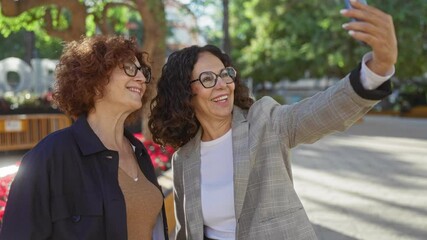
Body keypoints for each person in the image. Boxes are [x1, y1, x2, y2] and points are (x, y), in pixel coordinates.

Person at [148, 1, 397, 240]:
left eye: (225, 74)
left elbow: (321, 111)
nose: (223, 84)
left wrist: (377, 69)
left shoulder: (265, 121)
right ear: (185, 95)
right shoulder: (183, 160)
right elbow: (186, 232)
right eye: (208, 79)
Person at [0, 35, 168, 240]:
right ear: (95, 80)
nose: (141, 78)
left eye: (143, 71)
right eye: (129, 68)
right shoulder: (50, 156)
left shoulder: (138, 152)